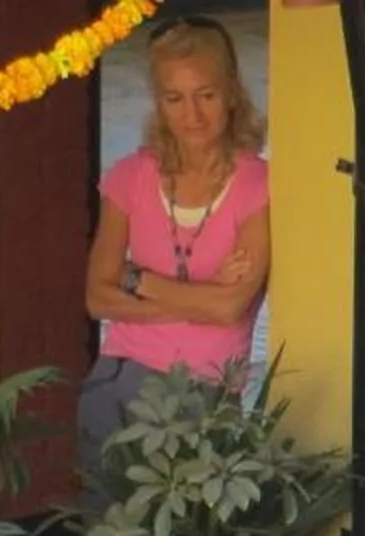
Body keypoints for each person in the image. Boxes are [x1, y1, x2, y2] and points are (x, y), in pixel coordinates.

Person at [78, 16, 271, 496]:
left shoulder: (258, 185)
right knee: (108, 534)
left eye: (206, 95)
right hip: (119, 379)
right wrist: (200, 297)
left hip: (205, 392)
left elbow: (229, 308)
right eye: (174, 98)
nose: (193, 115)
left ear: (231, 92)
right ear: (158, 103)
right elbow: (97, 299)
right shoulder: (130, 176)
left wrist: (139, 280)